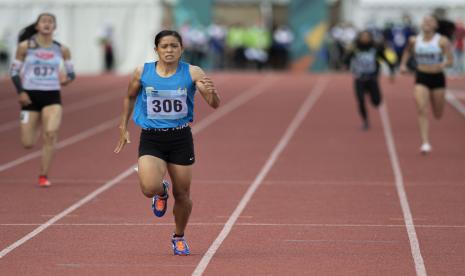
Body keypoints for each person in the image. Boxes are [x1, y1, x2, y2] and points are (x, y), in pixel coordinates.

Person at [114, 30, 220, 256]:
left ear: (182, 49)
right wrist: (123, 125)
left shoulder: (193, 72)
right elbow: (130, 96)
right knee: (148, 187)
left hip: (180, 138)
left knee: (183, 196)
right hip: (152, 137)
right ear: (156, 50)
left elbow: (214, 103)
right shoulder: (143, 72)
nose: (169, 50)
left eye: (174, 46)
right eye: (165, 46)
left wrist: (212, 94)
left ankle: (178, 237)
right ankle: (161, 192)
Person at [9, 13, 75, 187]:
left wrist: (67, 79)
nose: (47, 24)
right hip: (30, 97)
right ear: (37, 26)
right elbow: (14, 71)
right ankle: (35, 122)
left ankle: (43, 175)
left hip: (52, 96)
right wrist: (21, 92)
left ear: (54, 27)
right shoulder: (25, 47)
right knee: (28, 143)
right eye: (43, 21)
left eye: (50, 22)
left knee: (50, 134)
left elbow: (71, 72)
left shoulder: (62, 49)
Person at [400, 15, 453, 154]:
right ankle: (425, 142)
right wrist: (403, 64)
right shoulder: (414, 40)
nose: (427, 23)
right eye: (425, 21)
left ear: (436, 25)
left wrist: (443, 63)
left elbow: (450, 60)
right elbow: (406, 51)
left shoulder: (442, 41)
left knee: (438, 113)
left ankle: (427, 137)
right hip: (421, 76)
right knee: (421, 109)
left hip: (437, 78)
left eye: (430, 21)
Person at [344, 30, 395, 130]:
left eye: (367, 36)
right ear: (359, 38)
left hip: (372, 78)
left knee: (376, 102)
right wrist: (346, 58)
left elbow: (385, 59)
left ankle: (374, 99)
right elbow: (346, 60)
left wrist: (391, 70)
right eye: (363, 36)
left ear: (371, 38)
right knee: (360, 100)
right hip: (359, 78)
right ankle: (365, 121)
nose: (365, 38)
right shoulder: (355, 48)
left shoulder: (375, 48)